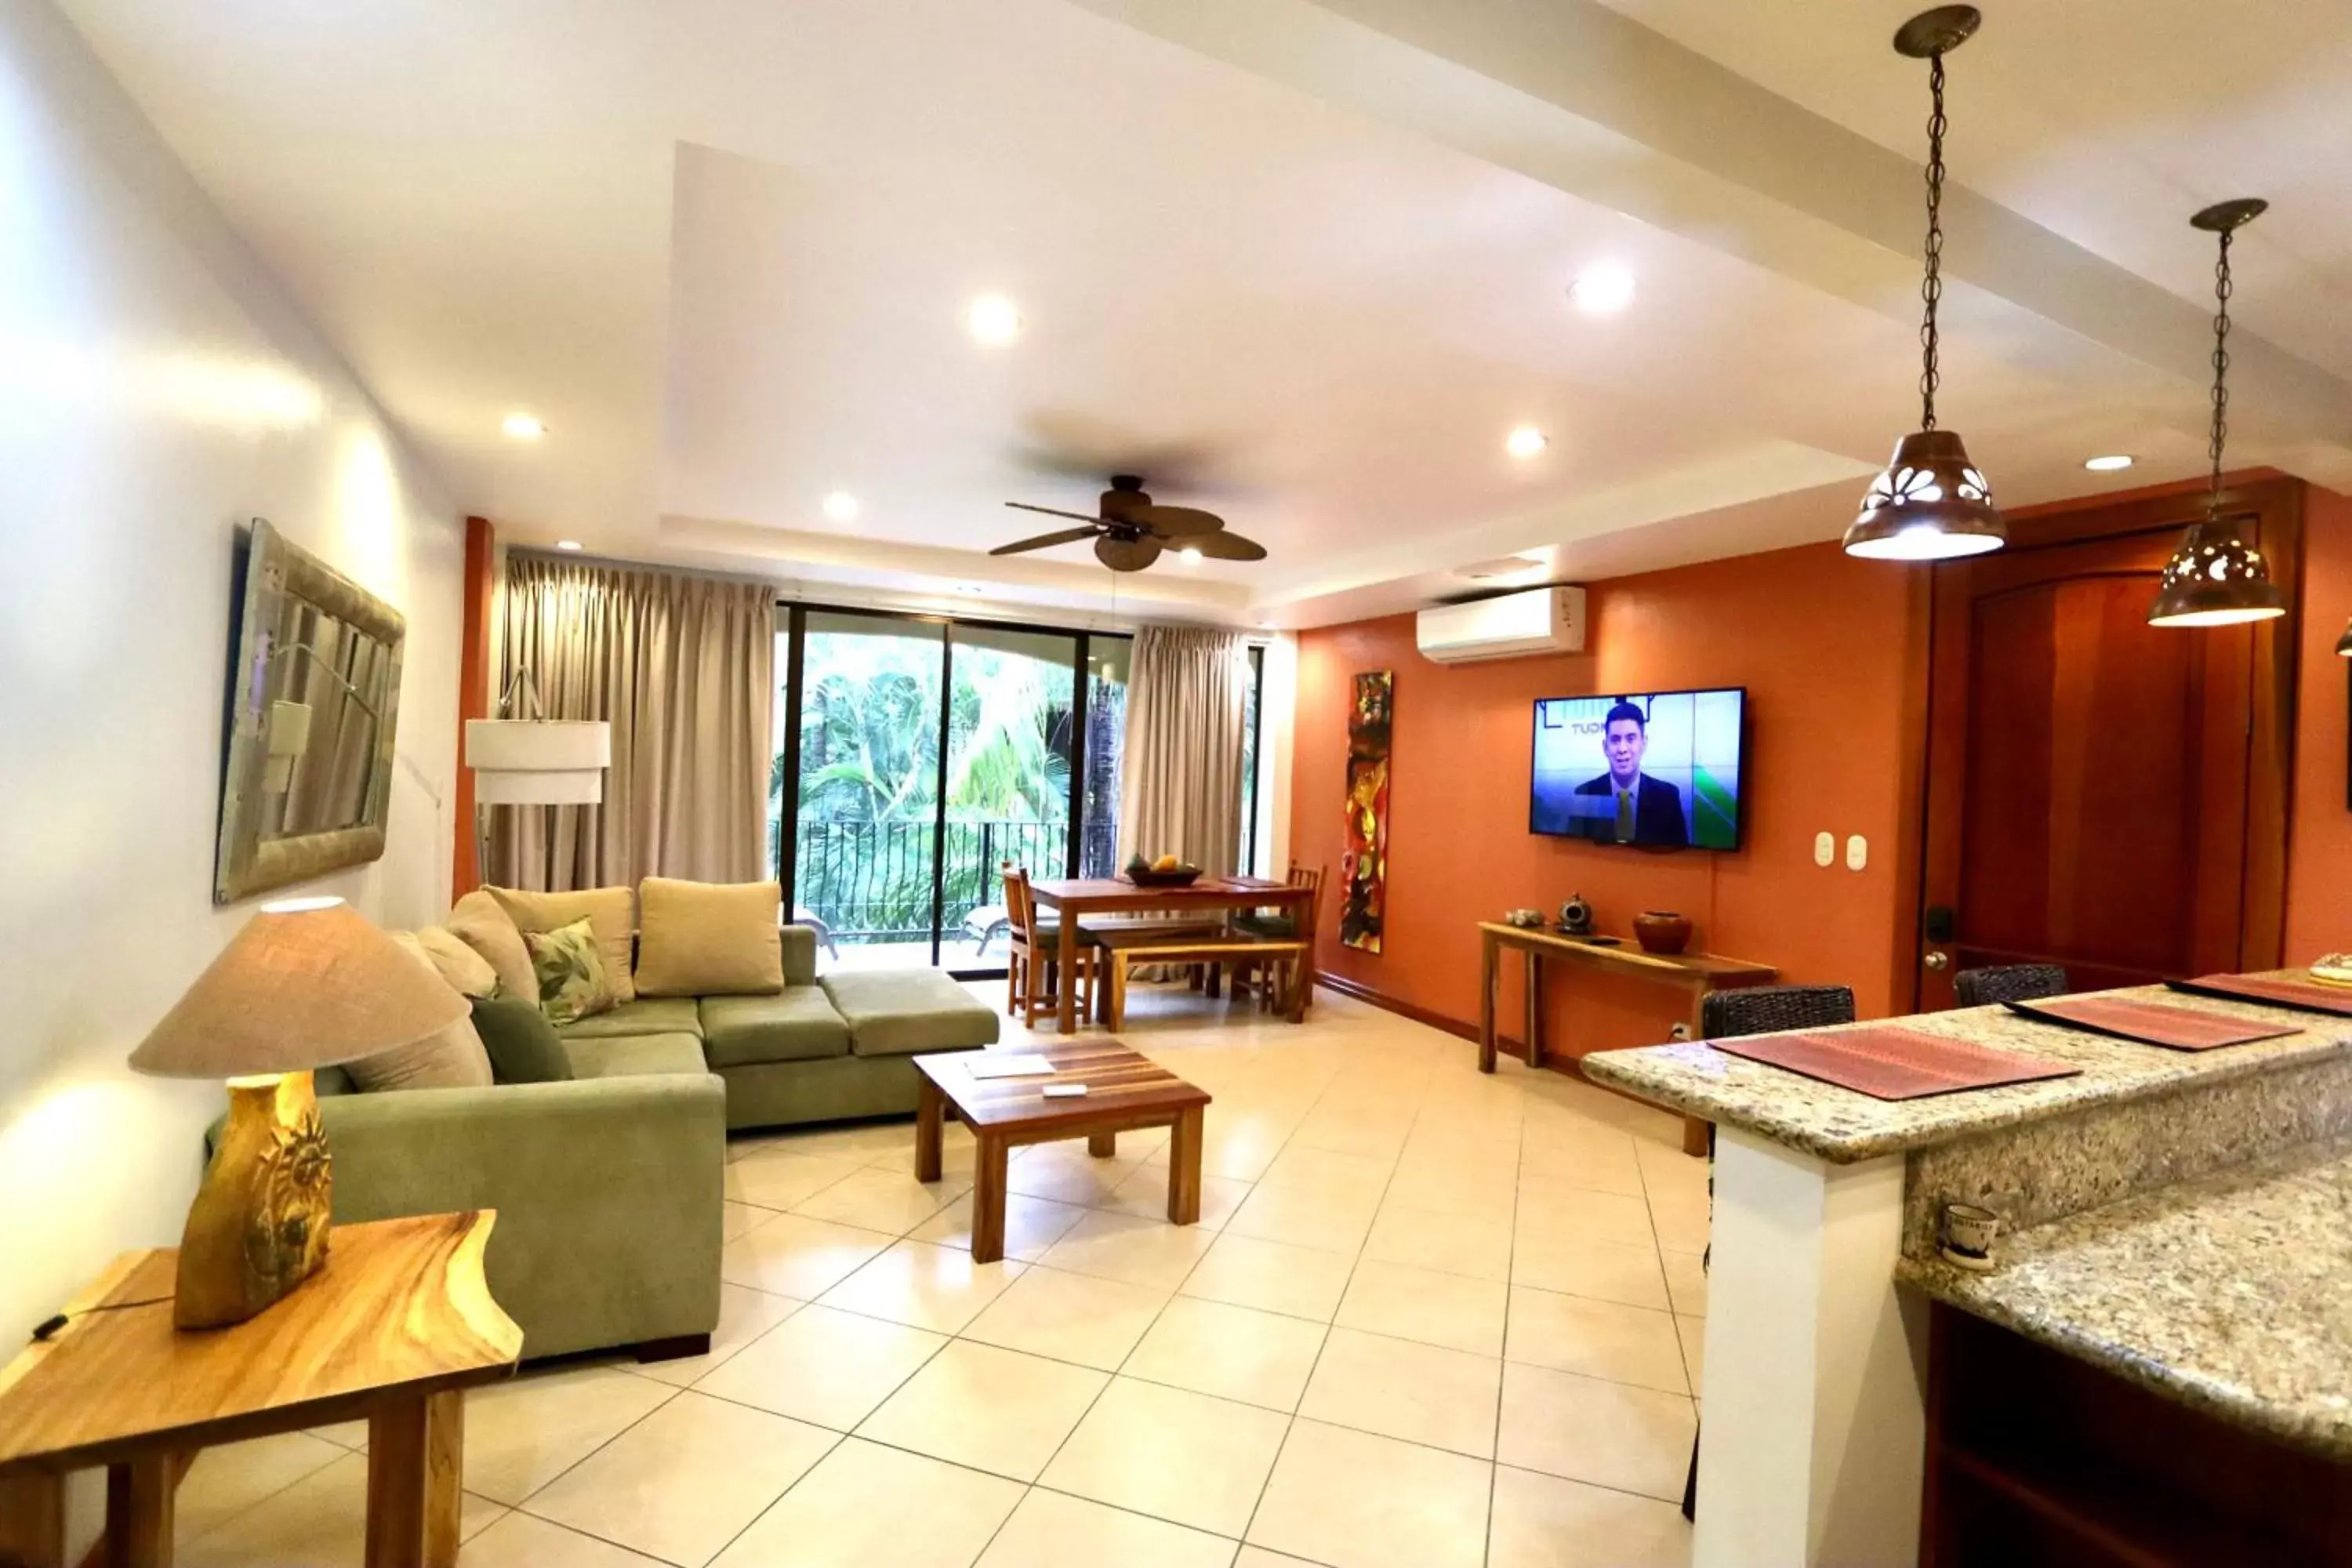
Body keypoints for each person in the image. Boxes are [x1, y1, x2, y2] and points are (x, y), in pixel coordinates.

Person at [1573, 700, 1688, 846]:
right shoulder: (1585, 793)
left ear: (1644, 743)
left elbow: (1679, 852)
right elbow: (1576, 848)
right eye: (1615, 740)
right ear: (1605, 747)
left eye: (1631, 739)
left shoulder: (1667, 797)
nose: (1622, 749)